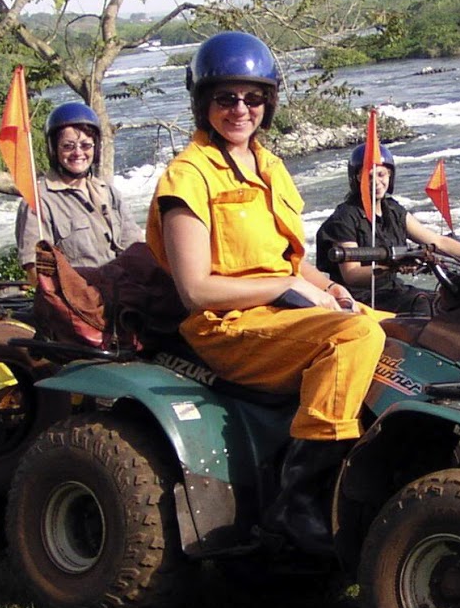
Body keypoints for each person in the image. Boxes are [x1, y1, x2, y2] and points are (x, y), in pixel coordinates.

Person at [147, 31, 384, 555]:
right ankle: (299, 502)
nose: (240, 108)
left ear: (268, 103)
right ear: (203, 101)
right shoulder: (186, 178)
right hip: (227, 328)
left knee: (393, 324)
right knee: (353, 337)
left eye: (252, 98)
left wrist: (336, 292)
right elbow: (195, 290)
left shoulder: (270, 166)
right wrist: (286, 287)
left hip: (282, 314)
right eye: (226, 97)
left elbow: (293, 263)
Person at [315, 145, 460, 313]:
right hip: (361, 299)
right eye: (369, 176)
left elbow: (438, 241)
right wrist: (392, 265)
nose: (377, 182)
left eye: (381, 175)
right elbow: (352, 275)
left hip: (393, 290)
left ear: (390, 175)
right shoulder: (345, 217)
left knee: (455, 301)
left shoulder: (393, 211)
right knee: (426, 308)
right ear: (357, 179)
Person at [15, 100, 142, 275]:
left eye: (86, 145)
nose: (78, 153)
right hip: (77, 296)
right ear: (54, 150)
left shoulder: (109, 193)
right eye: (68, 146)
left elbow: (135, 248)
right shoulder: (38, 202)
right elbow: (36, 271)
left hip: (122, 292)